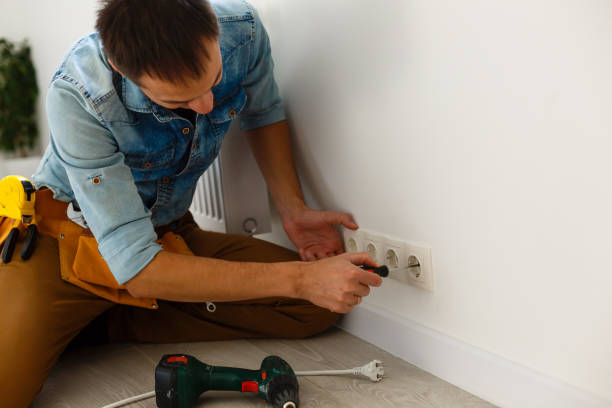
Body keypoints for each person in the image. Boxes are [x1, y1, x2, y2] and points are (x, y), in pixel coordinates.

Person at [0, 0, 382, 406]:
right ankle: (77, 307)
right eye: (178, 102)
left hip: (166, 233)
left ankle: (102, 316)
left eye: (214, 79)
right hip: (64, 248)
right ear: (120, 67)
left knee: (313, 310)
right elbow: (138, 266)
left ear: (213, 28)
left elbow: (264, 111)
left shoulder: (243, 29)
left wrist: (293, 208)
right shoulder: (79, 95)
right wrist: (302, 278)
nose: (206, 105)